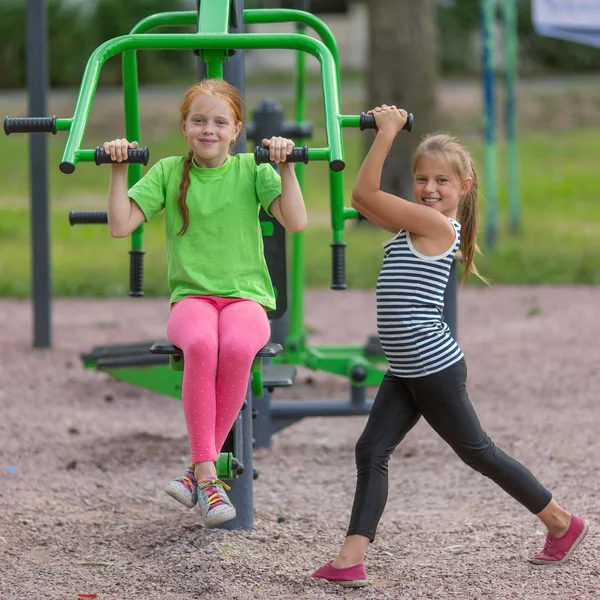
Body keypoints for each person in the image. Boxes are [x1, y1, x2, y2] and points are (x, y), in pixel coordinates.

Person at [311, 105, 589, 588]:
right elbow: (369, 202)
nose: (429, 189)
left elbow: (363, 193)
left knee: (478, 452)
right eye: (421, 178)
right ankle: (349, 560)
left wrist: (387, 133)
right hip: (406, 368)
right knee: (371, 449)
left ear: (464, 187)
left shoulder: (437, 227)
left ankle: (562, 523)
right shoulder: (414, 225)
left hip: (432, 368)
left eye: (442, 180)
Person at [105, 79, 306, 527]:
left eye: (219, 122)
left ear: (236, 130)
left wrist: (287, 166)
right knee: (200, 344)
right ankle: (208, 475)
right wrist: (119, 169)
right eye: (199, 120)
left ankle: (199, 472)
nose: (208, 129)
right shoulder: (168, 171)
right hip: (192, 298)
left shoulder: (252, 172)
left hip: (245, 298)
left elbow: (295, 221)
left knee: (236, 348)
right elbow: (120, 226)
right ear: (184, 127)